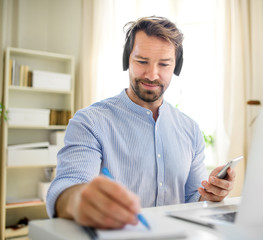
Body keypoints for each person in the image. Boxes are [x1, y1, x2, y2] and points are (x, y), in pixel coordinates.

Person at [46, 16, 236, 229]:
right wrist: (80, 200)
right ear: (127, 59)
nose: (152, 75)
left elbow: (192, 200)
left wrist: (210, 195)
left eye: (164, 64)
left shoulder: (190, 129)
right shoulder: (90, 122)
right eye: (142, 61)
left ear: (176, 66)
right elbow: (66, 187)